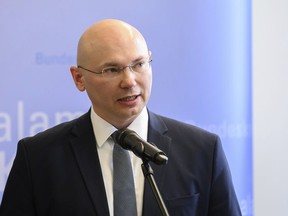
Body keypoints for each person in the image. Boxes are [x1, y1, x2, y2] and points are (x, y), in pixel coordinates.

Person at [0, 19, 242, 216]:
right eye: (111, 70)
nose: (129, 81)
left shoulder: (202, 150)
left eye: (138, 64)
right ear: (78, 79)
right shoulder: (38, 158)